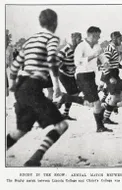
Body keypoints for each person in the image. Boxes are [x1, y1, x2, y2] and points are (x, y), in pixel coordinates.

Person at [6, 9, 69, 166]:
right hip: (33, 87)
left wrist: (13, 84)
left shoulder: (30, 40)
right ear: (55, 23)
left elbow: (15, 66)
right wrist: (56, 86)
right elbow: (52, 60)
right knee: (62, 125)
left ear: (41, 23)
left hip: (22, 87)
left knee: (21, 130)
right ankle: (35, 158)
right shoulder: (51, 38)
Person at [74, 26, 113, 132]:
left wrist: (106, 63)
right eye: (97, 36)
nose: (99, 38)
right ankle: (100, 127)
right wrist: (93, 56)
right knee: (96, 102)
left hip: (91, 75)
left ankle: (100, 126)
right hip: (81, 75)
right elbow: (77, 62)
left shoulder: (97, 45)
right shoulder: (81, 46)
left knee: (93, 103)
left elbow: (102, 57)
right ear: (91, 35)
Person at [57, 32, 83, 120]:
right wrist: (66, 68)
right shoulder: (66, 49)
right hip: (64, 75)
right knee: (73, 94)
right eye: (79, 39)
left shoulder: (76, 49)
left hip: (71, 75)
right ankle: (60, 102)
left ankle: (65, 113)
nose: (80, 41)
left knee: (75, 93)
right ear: (74, 39)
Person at [100, 31, 122, 125]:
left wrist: (121, 67)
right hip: (110, 75)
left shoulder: (114, 48)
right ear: (114, 38)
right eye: (120, 38)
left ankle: (104, 110)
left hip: (114, 74)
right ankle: (105, 117)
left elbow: (113, 62)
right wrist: (109, 77)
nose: (121, 40)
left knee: (120, 95)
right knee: (115, 96)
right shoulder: (110, 49)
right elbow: (104, 63)